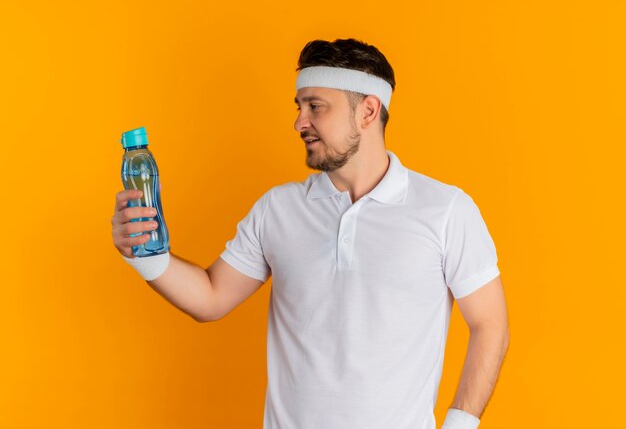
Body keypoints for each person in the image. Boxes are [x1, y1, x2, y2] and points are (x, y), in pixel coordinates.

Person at [111, 38, 510, 429]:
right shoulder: (278, 209)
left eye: (315, 107)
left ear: (368, 111)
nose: (300, 122)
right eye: (299, 106)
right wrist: (146, 255)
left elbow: (490, 324)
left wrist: (459, 424)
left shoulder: (445, 210)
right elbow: (211, 297)